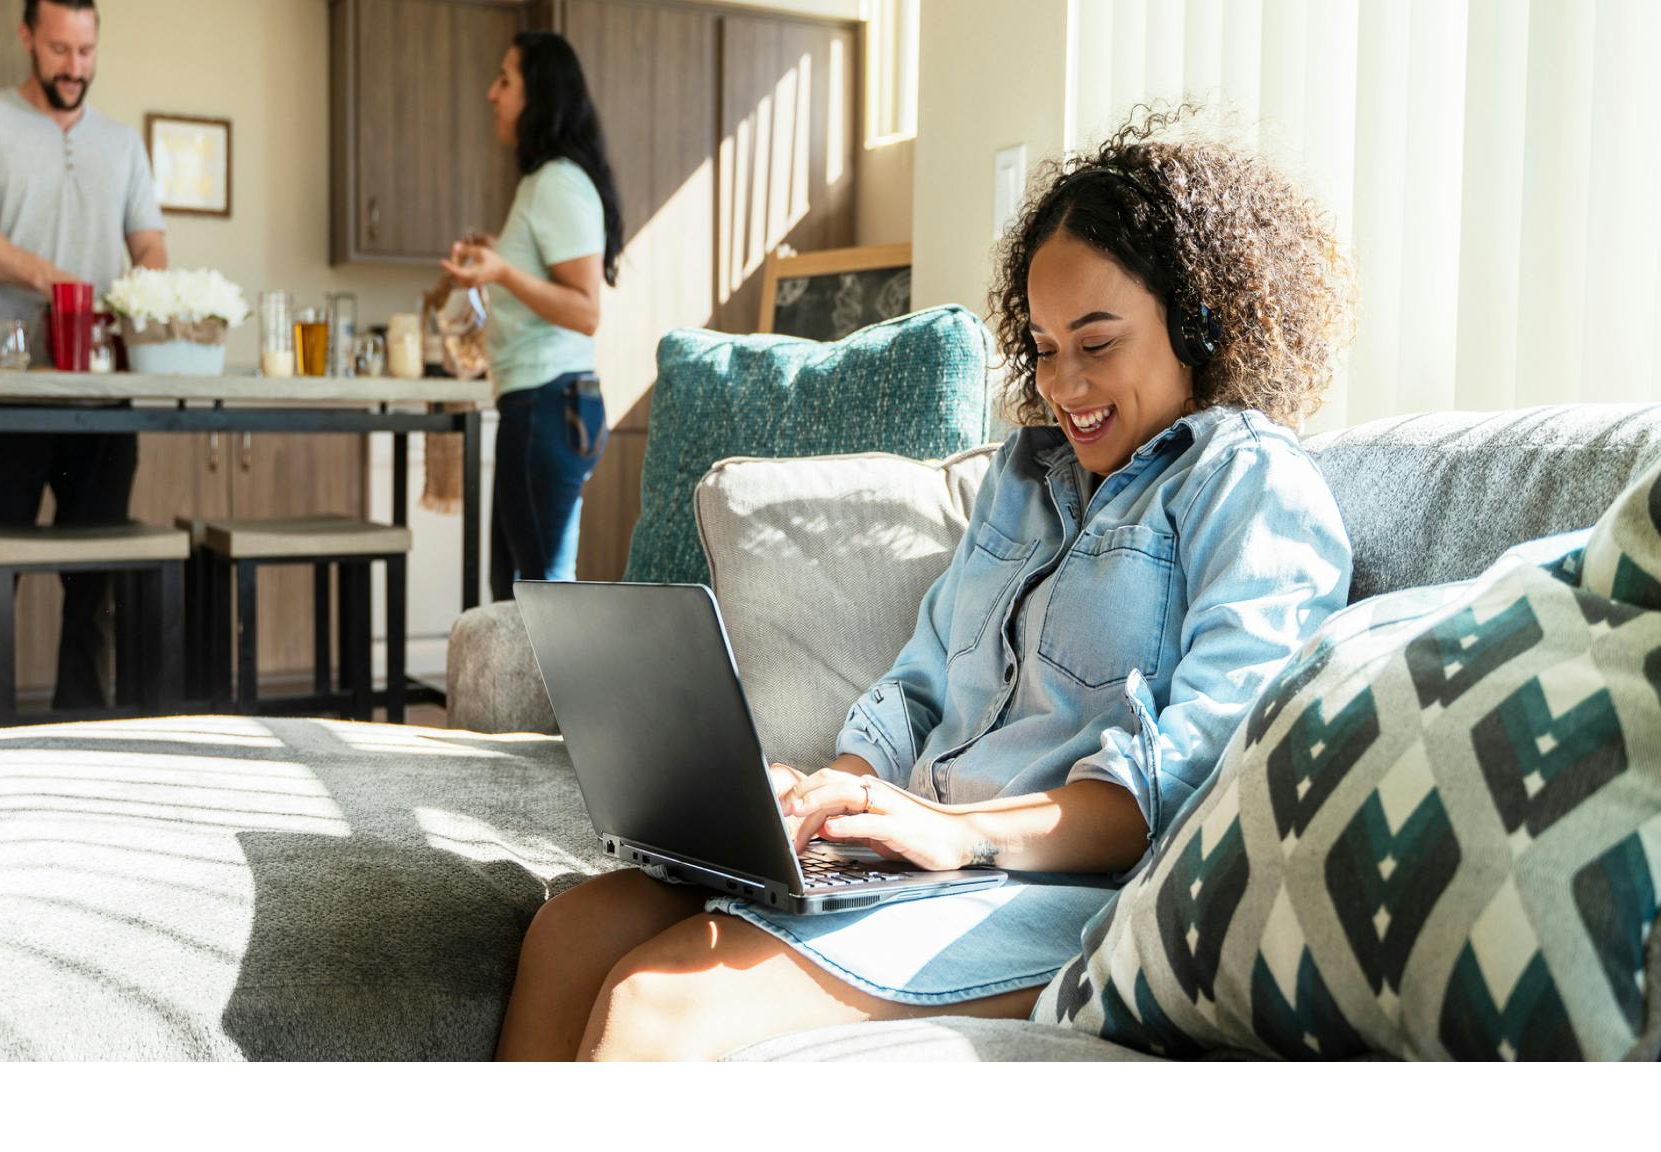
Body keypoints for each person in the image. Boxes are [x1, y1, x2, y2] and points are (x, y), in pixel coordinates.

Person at [495, 107, 1360, 1060]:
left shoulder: (1251, 487)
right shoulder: (1025, 479)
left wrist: (962, 834)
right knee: (569, 933)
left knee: (659, 1002)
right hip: (923, 858)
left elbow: (1192, 784)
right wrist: (839, 795)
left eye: (1098, 342)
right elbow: (918, 687)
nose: (1064, 385)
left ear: (1195, 323)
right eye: (1042, 345)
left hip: (1058, 896)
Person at [0, 0, 167, 711]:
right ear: (27, 38)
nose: (76, 68)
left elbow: (149, 241)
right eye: (61, 50)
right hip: (6, 389)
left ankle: (82, 733)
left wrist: (149, 282)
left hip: (100, 393)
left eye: (87, 52)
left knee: (93, 579)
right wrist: (53, 279)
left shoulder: (123, 144)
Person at [440, 31, 623, 602]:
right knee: (518, 595)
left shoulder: (558, 183)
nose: (491, 94)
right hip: (544, 404)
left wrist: (501, 272)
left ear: (537, 94)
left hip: (547, 405)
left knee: (542, 600)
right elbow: (554, 280)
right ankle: (522, 697)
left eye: (505, 80)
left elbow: (586, 310)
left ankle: (561, 697)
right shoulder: (546, 183)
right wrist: (503, 255)